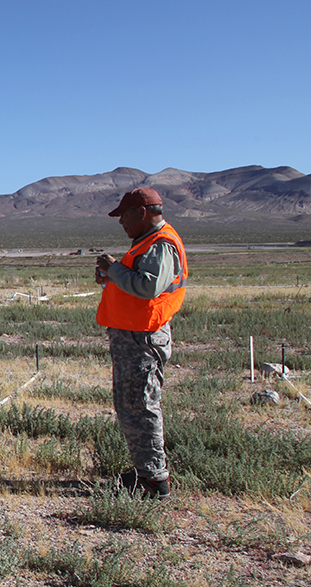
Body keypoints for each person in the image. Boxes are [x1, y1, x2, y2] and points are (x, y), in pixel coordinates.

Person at [95, 187, 189, 501]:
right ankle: (145, 471)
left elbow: (147, 287)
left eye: (124, 216)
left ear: (142, 213)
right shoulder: (146, 244)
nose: (121, 222)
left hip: (143, 338)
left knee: (142, 406)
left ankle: (154, 481)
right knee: (131, 406)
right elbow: (135, 282)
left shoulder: (161, 244)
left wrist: (114, 269)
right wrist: (112, 276)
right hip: (133, 336)